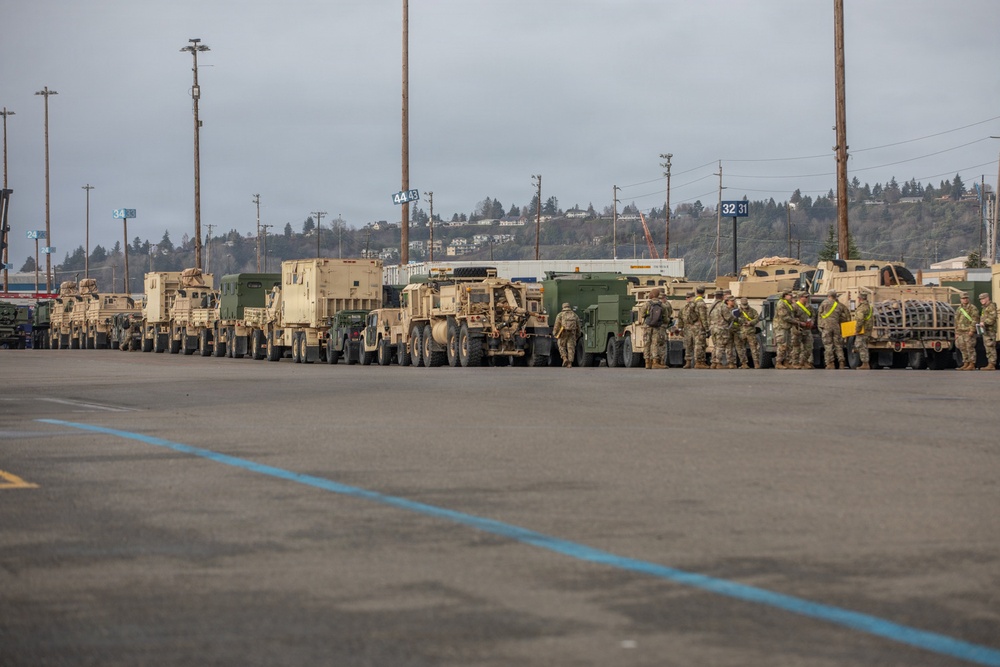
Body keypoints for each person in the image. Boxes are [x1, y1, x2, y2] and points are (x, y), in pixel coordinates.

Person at [640, 288, 671, 369]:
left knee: (647, 343)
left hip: (647, 326)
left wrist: (648, 316)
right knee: (655, 344)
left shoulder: (647, 304)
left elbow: (642, 314)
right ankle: (655, 362)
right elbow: (665, 318)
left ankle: (647, 362)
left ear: (653, 295)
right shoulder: (662, 305)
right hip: (657, 327)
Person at [818, 289, 850, 369]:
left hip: (826, 326)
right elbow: (846, 315)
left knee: (828, 345)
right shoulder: (840, 305)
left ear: (828, 296)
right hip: (836, 327)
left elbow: (820, 314)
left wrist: (820, 326)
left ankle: (830, 363)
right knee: (838, 345)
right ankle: (841, 362)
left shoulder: (824, 303)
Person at [709, 293, 736, 369]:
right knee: (721, 346)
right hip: (722, 328)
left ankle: (713, 363)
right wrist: (735, 317)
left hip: (713, 328)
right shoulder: (723, 306)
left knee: (716, 346)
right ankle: (719, 363)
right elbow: (728, 317)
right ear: (723, 297)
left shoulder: (712, 306)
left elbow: (708, 316)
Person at [954, 292, 979, 371]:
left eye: (966, 298)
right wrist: (956, 332)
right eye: (963, 298)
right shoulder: (959, 309)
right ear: (961, 299)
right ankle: (966, 363)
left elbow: (975, 319)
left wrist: (972, 330)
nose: (965, 300)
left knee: (970, 347)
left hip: (968, 331)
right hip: (961, 332)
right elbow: (956, 321)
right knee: (962, 347)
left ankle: (972, 363)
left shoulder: (972, 308)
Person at [733, 297, 761, 368]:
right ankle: (744, 363)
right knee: (742, 349)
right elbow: (733, 320)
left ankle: (756, 363)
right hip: (741, 332)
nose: (745, 308)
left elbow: (757, 318)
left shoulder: (752, 310)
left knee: (754, 348)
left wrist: (750, 322)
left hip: (749, 332)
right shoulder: (737, 311)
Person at [791, 291, 815, 369]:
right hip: (797, 329)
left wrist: (812, 322)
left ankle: (804, 361)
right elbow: (791, 318)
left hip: (807, 329)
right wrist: (799, 323)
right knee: (796, 347)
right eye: (805, 297)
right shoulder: (794, 306)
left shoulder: (809, 307)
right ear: (800, 297)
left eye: (807, 297)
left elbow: (813, 315)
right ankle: (795, 363)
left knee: (809, 347)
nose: (807, 298)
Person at [552, 302, 579, 368]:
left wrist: (555, 333)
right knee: (571, 348)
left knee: (561, 345)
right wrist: (578, 334)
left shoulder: (560, 315)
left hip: (563, 332)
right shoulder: (574, 315)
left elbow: (556, 325)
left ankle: (564, 358)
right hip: (572, 333)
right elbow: (578, 326)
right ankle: (570, 363)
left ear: (563, 307)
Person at [773, 290, 796, 369]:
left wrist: (793, 303)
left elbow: (793, 312)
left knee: (788, 345)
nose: (791, 297)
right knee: (782, 345)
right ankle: (778, 362)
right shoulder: (781, 304)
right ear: (785, 295)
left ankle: (787, 362)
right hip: (781, 327)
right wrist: (796, 322)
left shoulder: (788, 304)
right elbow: (784, 316)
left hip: (787, 327)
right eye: (790, 295)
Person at [852, 292, 873, 369]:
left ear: (859, 299)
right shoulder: (869, 306)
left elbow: (860, 320)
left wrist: (857, 330)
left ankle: (865, 363)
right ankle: (865, 362)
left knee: (861, 346)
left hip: (862, 330)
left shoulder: (862, 308)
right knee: (863, 346)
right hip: (868, 329)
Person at [979, 292, 997, 370]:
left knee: (990, 347)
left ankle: (992, 364)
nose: (981, 300)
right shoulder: (985, 307)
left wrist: (984, 322)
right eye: (980, 299)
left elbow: (992, 318)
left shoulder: (991, 307)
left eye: (983, 299)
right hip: (985, 330)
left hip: (990, 330)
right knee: (987, 347)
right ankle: (990, 363)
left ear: (987, 298)